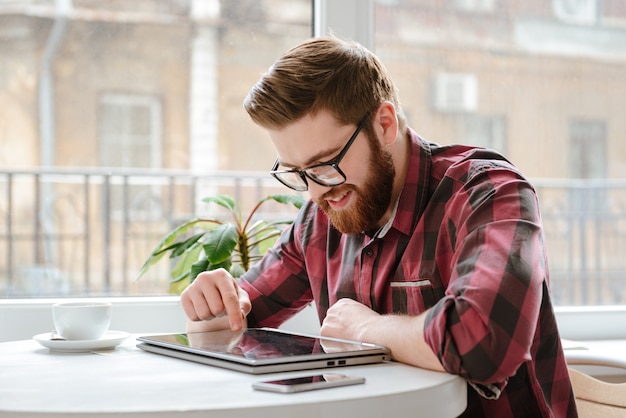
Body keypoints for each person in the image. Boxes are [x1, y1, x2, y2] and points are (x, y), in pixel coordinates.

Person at [181, 36, 577, 417]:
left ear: (385, 124)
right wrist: (213, 307)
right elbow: (239, 320)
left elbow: (482, 343)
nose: (316, 191)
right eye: (299, 173)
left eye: (326, 163)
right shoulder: (321, 216)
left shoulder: (487, 193)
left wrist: (367, 328)